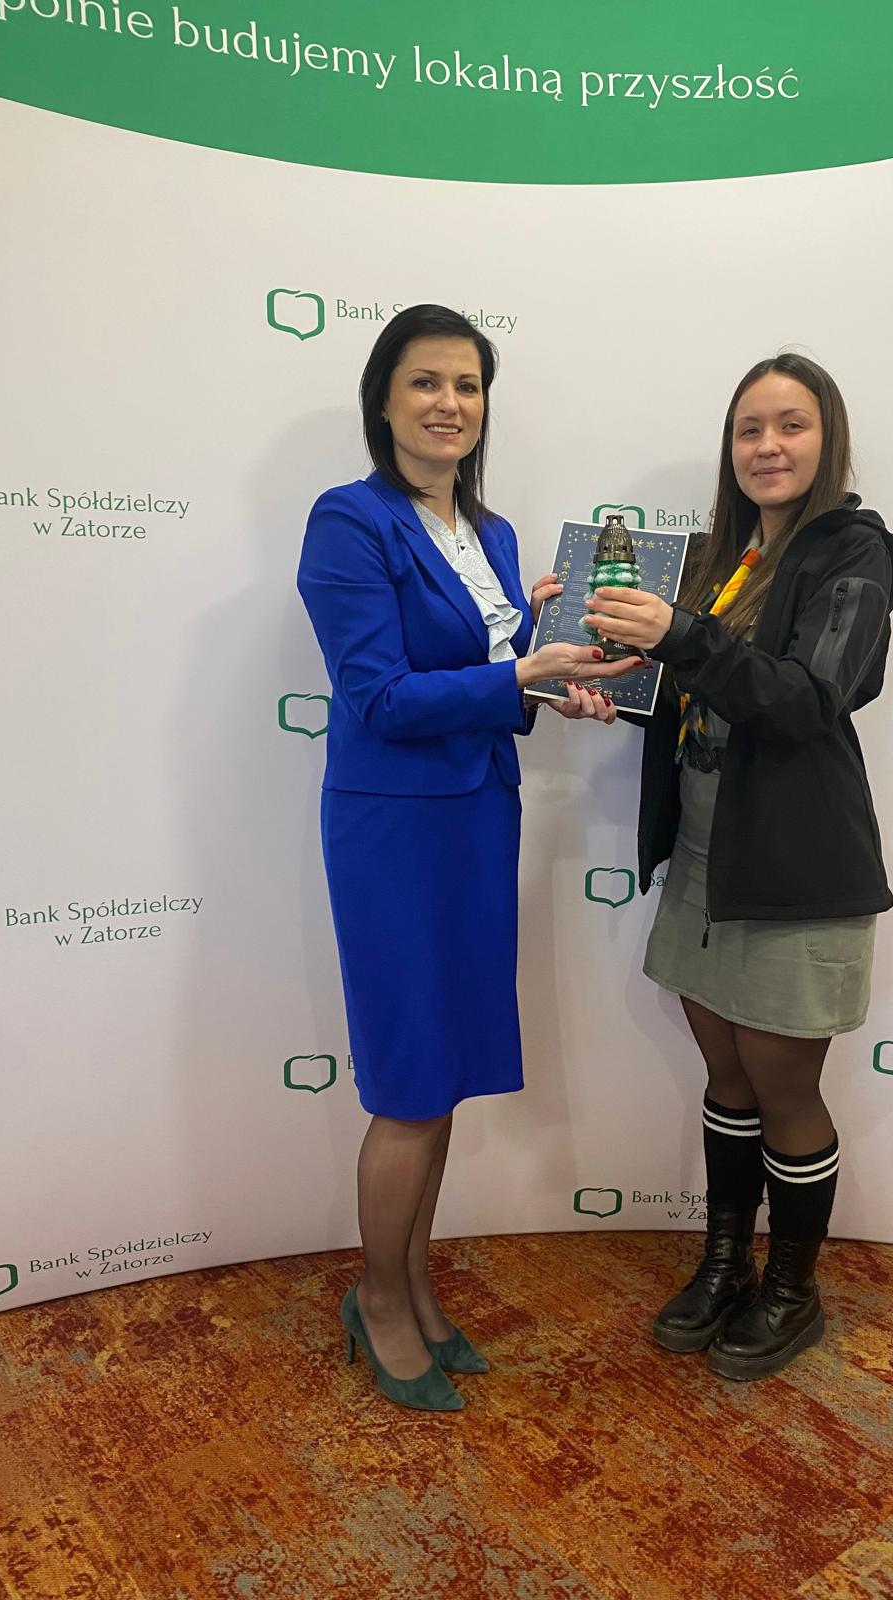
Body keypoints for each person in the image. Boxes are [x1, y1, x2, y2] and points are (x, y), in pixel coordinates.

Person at [298, 304, 635, 1411]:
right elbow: (380, 697)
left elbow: (496, 676)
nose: (449, 403)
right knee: (409, 1082)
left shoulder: (494, 535)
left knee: (441, 1076)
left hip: (479, 814)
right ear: (384, 400)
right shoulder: (349, 521)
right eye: (426, 382)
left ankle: (414, 1285)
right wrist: (521, 674)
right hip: (395, 830)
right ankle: (377, 1299)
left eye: (468, 385)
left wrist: (558, 681)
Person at [583, 354, 893, 1381]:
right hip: (703, 857)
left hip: (792, 865)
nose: (768, 446)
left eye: (791, 425)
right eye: (749, 430)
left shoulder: (853, 552)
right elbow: (694, 689)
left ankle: (793, 1289)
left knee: (785, 1090)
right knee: (726, 1076)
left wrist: (680, 634)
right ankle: (727, 1261)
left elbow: (809, 697)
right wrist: (603, 681)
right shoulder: (720, 559)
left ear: (828, 439)